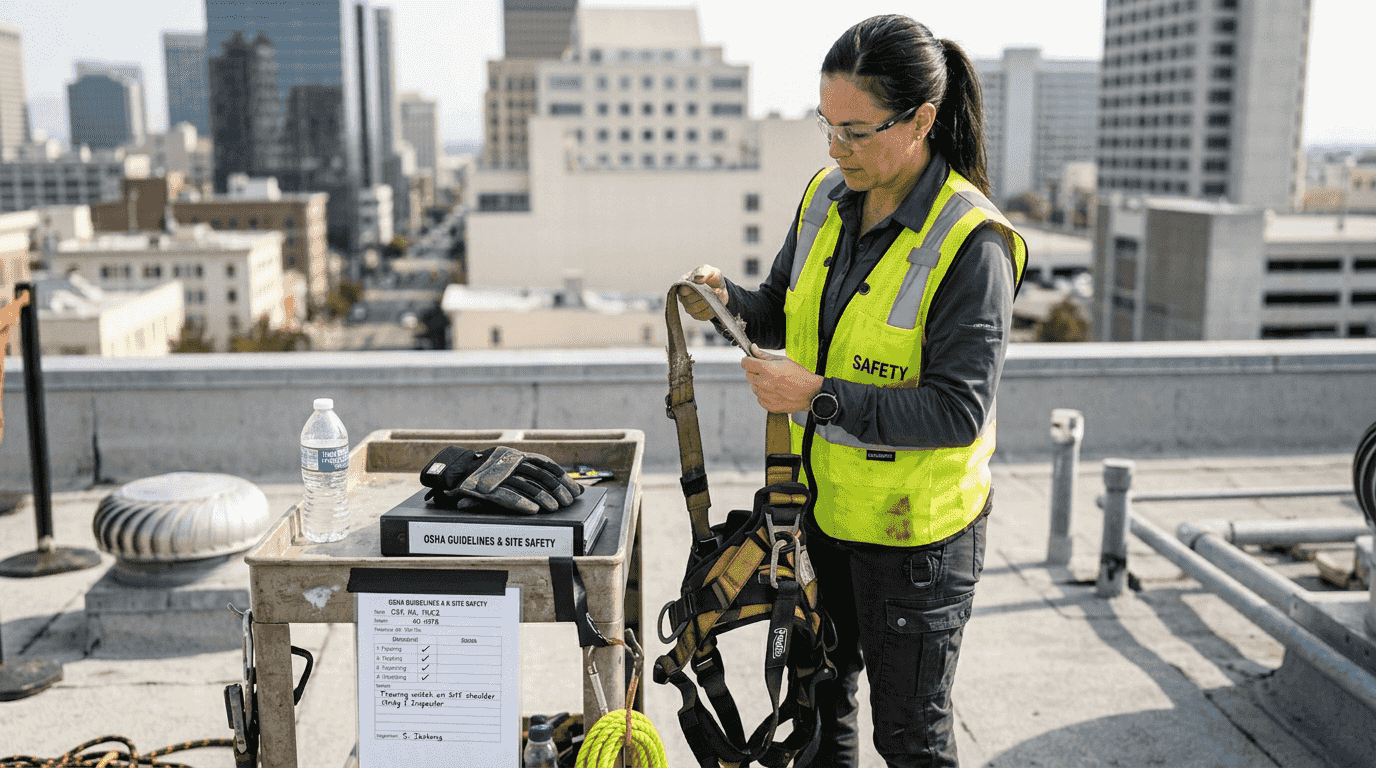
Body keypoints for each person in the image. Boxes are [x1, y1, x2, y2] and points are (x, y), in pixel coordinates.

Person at [676, 14, 1027, 768]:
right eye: (828, 128)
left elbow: (957, 412)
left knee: (910, 738)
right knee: (818, 706)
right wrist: (726, 302)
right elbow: (780, 302)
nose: (837, 150)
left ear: (922, 120)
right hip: (819, 517)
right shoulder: (826, 197)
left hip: (916, 542)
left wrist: (817, 397)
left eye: (857, 132)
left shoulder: (973, 244)